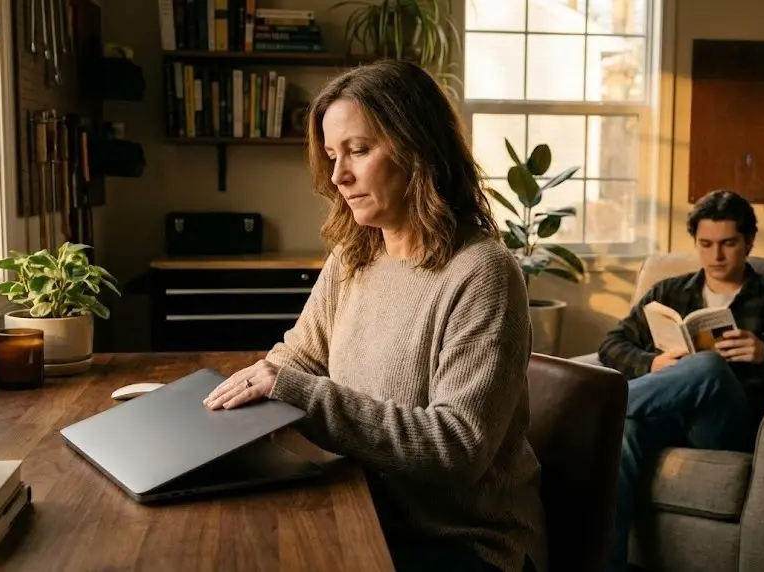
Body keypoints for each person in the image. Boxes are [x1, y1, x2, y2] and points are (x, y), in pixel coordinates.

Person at [202, 59, 545, 572]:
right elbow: (297, 358)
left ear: (418, 149)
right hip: (367, 508)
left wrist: (297, 392)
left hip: (462, 541)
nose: (339, 176)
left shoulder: (482, 272)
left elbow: (458, 448)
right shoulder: (355, 254)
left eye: (358, 151)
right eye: (333, 154)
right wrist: (231, 404)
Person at [597, 189, 764, 572]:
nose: (716, 256)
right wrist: (653, 363)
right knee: (624, 429)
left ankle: (589, 410)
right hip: (667, 415)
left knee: (709, 367)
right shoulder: (671, 291)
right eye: (706, 244)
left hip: (728, 425)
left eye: (728, 243)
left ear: (749, 242)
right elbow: (611, 344)